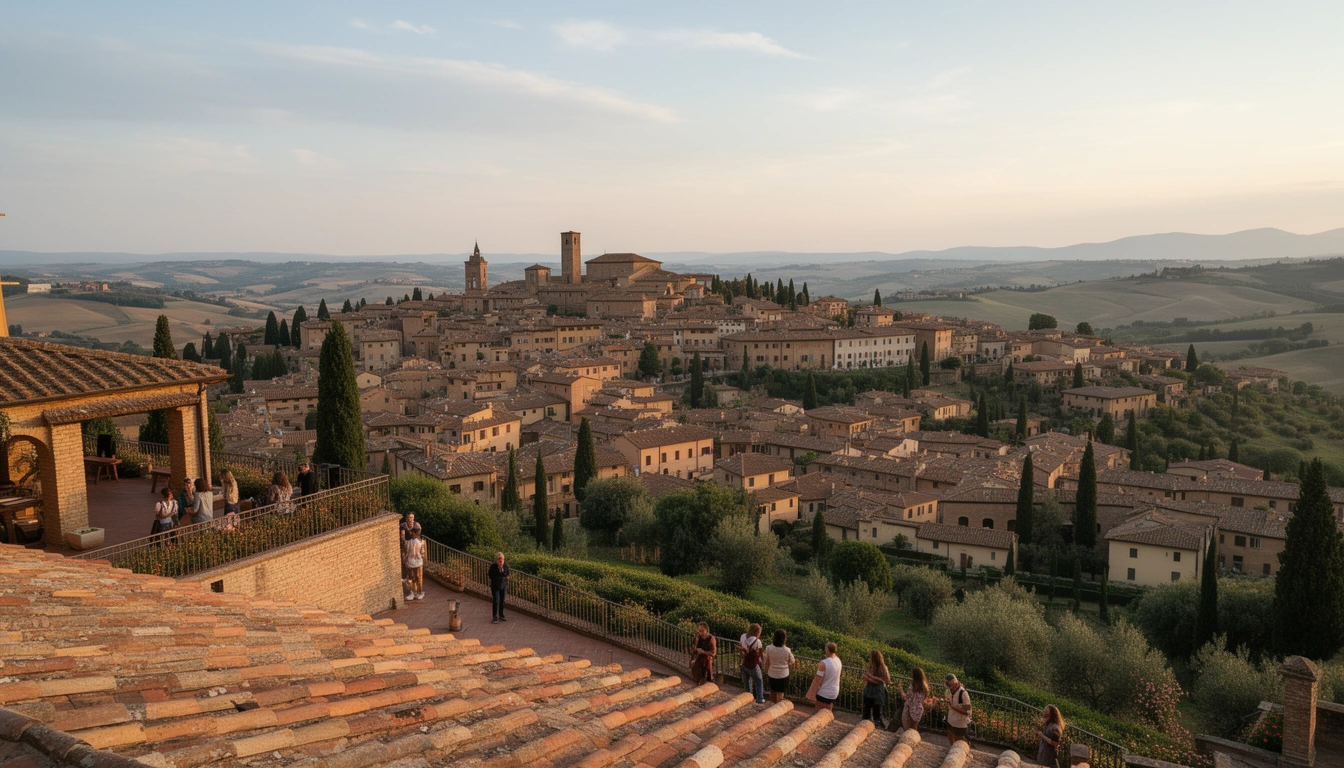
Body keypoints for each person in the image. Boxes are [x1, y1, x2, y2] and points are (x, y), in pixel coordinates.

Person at [897, 667, 937, 732]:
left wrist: (901, 689)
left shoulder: (912, 686)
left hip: (909, 708)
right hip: (918, 709)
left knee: (907, 728)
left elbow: (905, 697)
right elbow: (923, 699)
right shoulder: (925, 687)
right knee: (914, 728)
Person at [806, 641, 842, 712]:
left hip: (824, 693)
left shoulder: (823, 663)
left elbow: (817, 680)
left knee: (819, 712)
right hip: (834, 692)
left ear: (827, 650)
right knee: (828, 712)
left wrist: (811, 694)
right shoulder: (838, 661)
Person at [762, 628, 796, 704]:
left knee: (773, 692)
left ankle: (772, 706)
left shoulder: (769, 648)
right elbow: (792, 661)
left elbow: (765, 657)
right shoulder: (787, 650)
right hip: (783, 674)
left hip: (772, 673)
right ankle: (778, 708)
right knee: (780, 694)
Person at [862, 649, 891, 728]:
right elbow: (886, 680)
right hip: (876, 692)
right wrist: (878, 680)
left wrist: (871, 677)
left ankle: (868, 725)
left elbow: (887, 680)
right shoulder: (881, 668)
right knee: (875, 711)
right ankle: (875, 725)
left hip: (872, 691)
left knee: (870, 711)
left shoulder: (877, 668)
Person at [738, 623, 766, 704]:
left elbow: (741, 646)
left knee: (747, 682)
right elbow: (759, 653)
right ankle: (760, 699)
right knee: (759, 681)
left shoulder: (743, 636)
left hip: (744, 662)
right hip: (753, 665)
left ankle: (748, 698)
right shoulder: (757, 641)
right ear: (757, 632)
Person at [945, 673, 973, 745]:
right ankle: (952, 749)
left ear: (955, 683)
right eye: (947, 685)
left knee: (959, 741)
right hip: (951, 719)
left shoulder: (963, 693)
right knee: (950, 734)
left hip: (960, 723)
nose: (949, 687)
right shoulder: (948, 691)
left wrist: (954, 707)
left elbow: (968, 711)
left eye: (950, 685)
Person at [403, 528, 426, 600]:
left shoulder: (408, 542)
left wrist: (405, 560)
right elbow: (422, 552)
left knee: (411, 578)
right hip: (417, 563)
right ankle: (418, 592)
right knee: (417, 578)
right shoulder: (419, 542)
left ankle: (412, 592)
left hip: (410, 562)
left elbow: (405, 552)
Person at [488, 551, 510, 623]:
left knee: (503, 600)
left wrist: (502, 572)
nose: (500, 560)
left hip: (503, 585)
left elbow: (507, 573)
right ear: (496, 559)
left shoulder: (505, 565)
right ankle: (495, 616)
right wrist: (499, 570)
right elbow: (490, 575)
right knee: (496, 600)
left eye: (501, 559)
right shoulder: (493, 566)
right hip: (495, 586)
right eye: (499, 559)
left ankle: (501, 614)